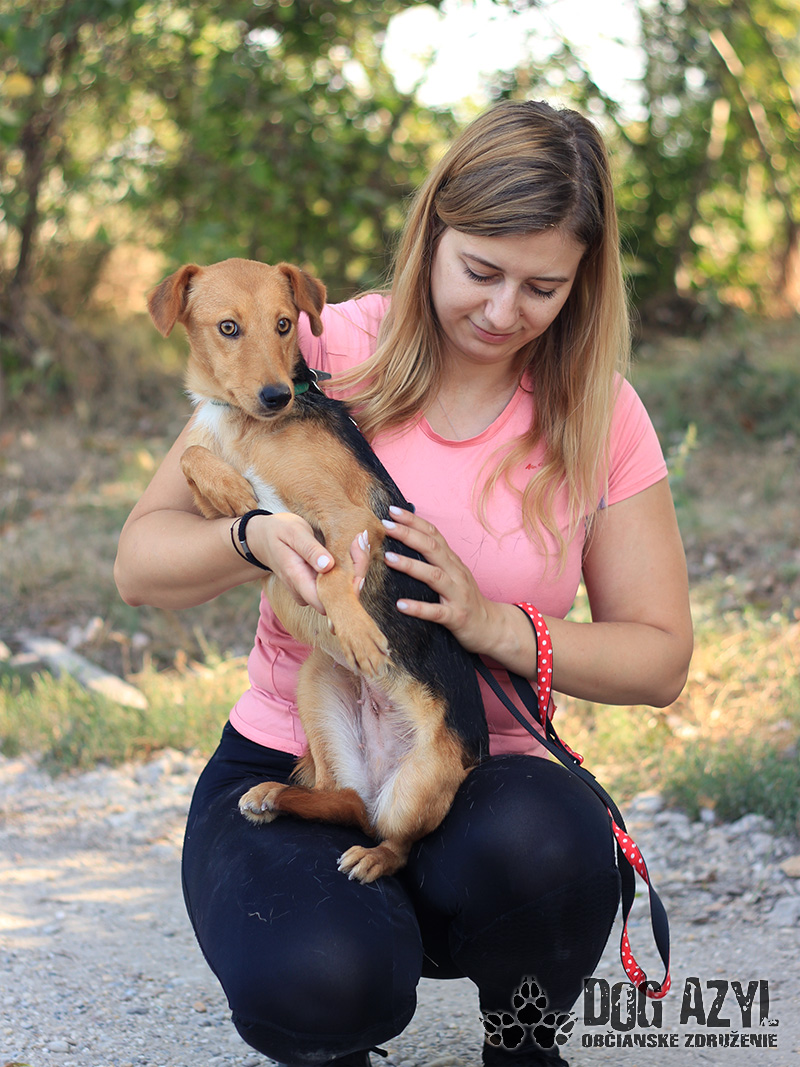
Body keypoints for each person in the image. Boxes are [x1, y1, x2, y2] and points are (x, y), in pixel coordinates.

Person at [114, 99, 693, 1067]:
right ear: (431, 234)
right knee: (321, 978)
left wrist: (493, 622)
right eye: (480, 271)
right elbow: (140, 561)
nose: (503, 312)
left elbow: (659, 657)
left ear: (583, 281)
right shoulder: (313, 346)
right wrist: (252, 535)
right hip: (304, 756)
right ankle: (344, 978)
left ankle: (521, 1044)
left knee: (551, 841)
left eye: (542, 286)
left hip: (474, 772)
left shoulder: (600, 412)